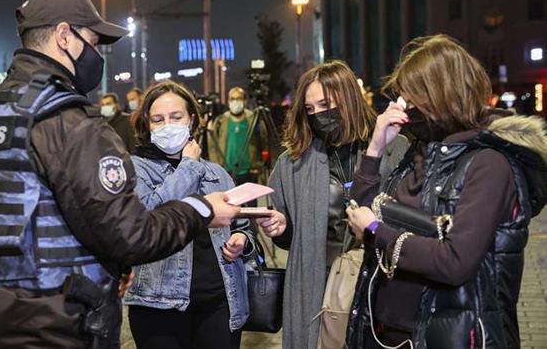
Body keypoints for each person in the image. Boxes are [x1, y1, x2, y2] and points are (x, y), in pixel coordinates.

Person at [0, 0, 239, 347]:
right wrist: (202, 208)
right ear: (64, 36)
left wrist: (109, 266)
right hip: (59, 323)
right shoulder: (68, 121)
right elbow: (133, 236)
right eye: (92, 40)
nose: (96, 52)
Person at [346, 35, 547, 348]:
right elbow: (358, 216)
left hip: (449, 336)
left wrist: (376, 231)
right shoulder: (421, 151)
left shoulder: (488, 164)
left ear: (442, 94)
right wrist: (375, 149)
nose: (404, 106)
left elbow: (454, 261)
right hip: (387, 332)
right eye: (403, 97)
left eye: (411, 96)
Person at [255, 61, 409, 349]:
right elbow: (287, 239)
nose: (318, 115)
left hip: (379, 281)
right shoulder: (291, 164)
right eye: (310, 109)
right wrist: (281, 229)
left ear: (348, 97)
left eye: (325, 104)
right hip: (316, 283)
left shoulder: (393, 148)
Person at [123, 80, 253, 349]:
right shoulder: (136, 169)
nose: (167, 125)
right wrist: (189, 166)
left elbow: (242, 226)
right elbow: (149, 216)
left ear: (192, 120)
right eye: (158, 119)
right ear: (147, 126)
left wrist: (242, 240)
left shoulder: (217, 173)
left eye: (176, 117)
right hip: (158, 307)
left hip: (219, 303)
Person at [208, 87, 268, 186]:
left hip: (249, 170)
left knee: (250, 200)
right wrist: (217, 166)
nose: (235, 102)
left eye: (239, 98)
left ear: (245, 101)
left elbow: (263, 141)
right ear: (228, 101)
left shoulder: (253, 119)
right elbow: (213, 146)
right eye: (232, 99)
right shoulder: (221, 120)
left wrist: (258, 164)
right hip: (227, 170)